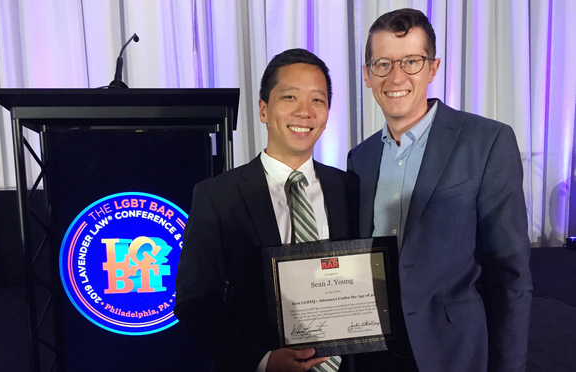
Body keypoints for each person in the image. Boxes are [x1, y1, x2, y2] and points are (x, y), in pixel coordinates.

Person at [347, 8, 532, 372]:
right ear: (367, 75)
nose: (396, 75)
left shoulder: (487, 141)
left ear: (433, 67)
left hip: (454, 353)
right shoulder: (360, 157)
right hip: (376, 354)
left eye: (411, 61)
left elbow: (510, 275)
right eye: (382, 63)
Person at [175, 48, 360, 372]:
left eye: (318, 100)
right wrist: (262, 361)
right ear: (263, 109)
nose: (305, 111)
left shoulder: (350, 188)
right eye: (290, 97)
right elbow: (194, 304)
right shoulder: (218, 197)